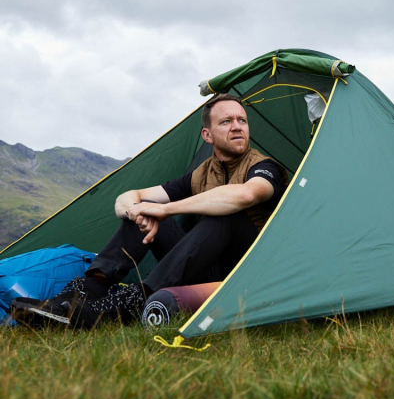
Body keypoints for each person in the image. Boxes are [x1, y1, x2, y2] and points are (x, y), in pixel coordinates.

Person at [11, 93, 287, 328]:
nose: (237, 127)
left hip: (250, 272)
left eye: (242, 121)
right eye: (226, 122)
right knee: (145, 209)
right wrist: (136, 211)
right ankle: (82, 294)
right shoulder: (200, 174)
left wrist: (166, 210)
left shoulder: (265, 167)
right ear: (207, 135)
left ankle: (130, 302)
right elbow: (129, 197)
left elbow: (247, 194)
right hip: (206, 267)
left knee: (226, 216)